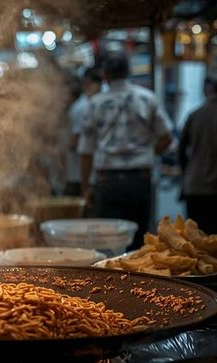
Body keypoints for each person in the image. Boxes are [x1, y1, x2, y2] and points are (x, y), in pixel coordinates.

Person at [77, 52, 173, 251]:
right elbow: (167, 137)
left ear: (105, 75)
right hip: (139, 180)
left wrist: (85, 188)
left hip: (107, 182)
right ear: (128, 72)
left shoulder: (94, 103)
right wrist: (149, 152)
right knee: (139, 244)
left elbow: (85, 152)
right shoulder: (147, 98)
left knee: (106, 243)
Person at [178, 77, 217, 235]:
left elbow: (181, 149)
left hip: (194, 186)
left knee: (195, 242)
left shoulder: (195, 114)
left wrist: (186, 174)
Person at [64, 68, 102, 196]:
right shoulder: (90, 105)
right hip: (88, 174)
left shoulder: (82, 107)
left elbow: (75, 142)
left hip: (80, 176)